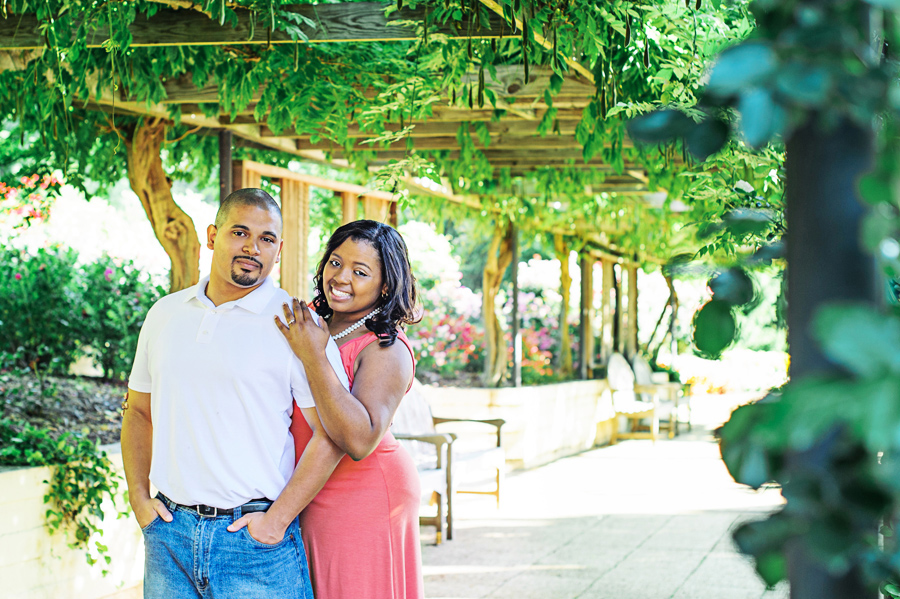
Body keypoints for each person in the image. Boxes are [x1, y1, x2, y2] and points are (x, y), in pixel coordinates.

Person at [121, 188, 350, 599]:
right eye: (239, 232)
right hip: (169, 535)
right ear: (212, 236)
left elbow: (331, 434)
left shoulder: (297, 325)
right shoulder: (165, 314)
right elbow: (139, 411)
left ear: (279, 250)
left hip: (254, 542)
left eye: (266, 239)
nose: (252, 247)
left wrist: (276, 521)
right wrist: (139, 498)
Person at [277, 219, 424, 599]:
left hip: (363, 493)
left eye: (360, 271)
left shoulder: (386, 348)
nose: (341, 277)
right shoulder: (311, 321)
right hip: (307, 484)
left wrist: (314, 357)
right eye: (336, 263)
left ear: (386, 285)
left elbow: (359, 440)